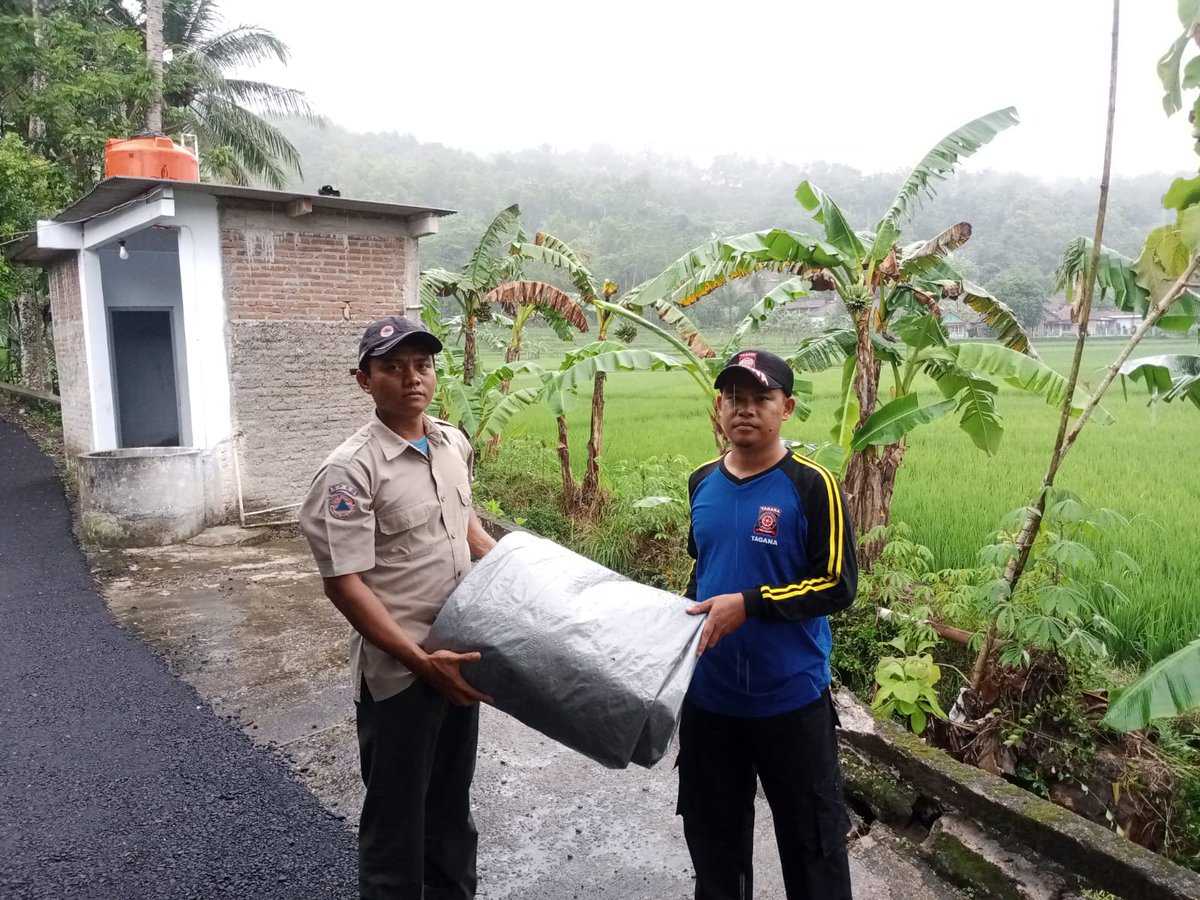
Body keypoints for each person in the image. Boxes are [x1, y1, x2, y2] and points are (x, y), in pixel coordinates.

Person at [299, 315, 497, 900]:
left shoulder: (450, 441)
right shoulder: (349, 470)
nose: (412, 378)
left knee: (451, 812)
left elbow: (468, 528)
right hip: (401, 675)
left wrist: (525, 577)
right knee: (396, 825)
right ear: (363, 380)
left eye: (423, 365)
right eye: (392, 367)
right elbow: (345, 584)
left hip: (458, 656)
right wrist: (418, 659)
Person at [679, 348, 858, 900]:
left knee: (814, 849)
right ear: (719, 407)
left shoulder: (812, 485)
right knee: (714, 848)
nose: (746, 409)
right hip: (711, 704)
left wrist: (750, 602)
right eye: (734, 398)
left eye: (761, 398)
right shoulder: (701, 481)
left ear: (788, 407)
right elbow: (702, 575)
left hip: (790, 704)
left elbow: (837, 584)